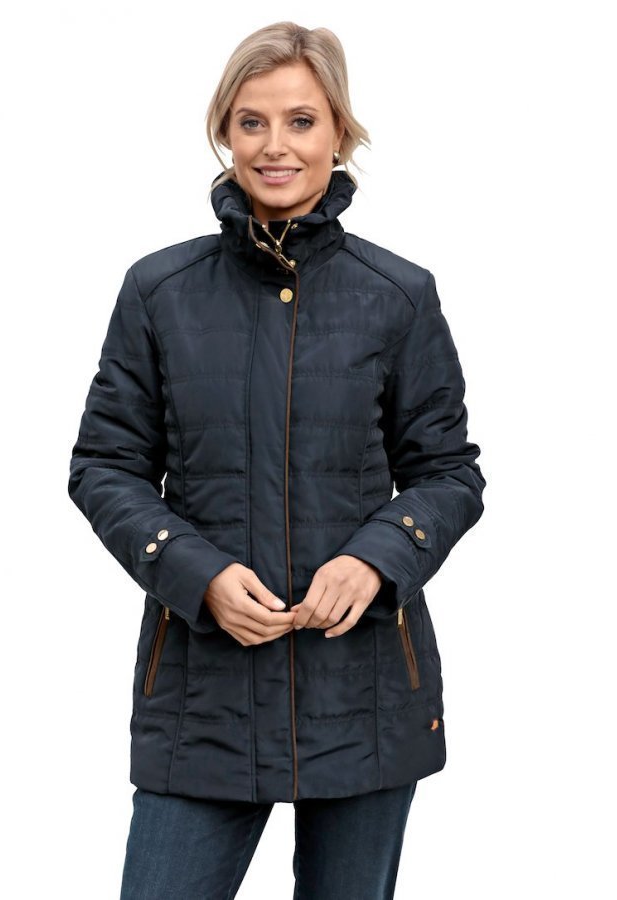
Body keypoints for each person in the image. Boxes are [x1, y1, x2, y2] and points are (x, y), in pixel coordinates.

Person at [68, 21, 486, 900]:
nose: (275, 146)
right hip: (205, 697)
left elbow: (449, 471)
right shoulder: (159, 291)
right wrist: (196, 574)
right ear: (225, 132)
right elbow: (104, 464)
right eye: (251, 122)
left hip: (363, 691)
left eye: (301, 121)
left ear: (339, 132)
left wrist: (378, 558)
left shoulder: (398, 295)